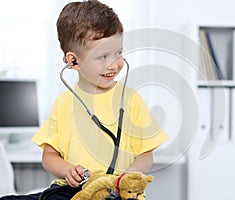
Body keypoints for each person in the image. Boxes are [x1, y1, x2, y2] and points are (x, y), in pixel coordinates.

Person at [0, 0, 168, 199]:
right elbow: (49, 156)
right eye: (103, 56)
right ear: (73, 61)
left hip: (117, 192)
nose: (114, 64)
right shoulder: (64, 103)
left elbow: (145, 155)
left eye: (118, 53)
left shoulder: (130, 99)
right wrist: (67, 170)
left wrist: (125, 177)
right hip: (72, 192)